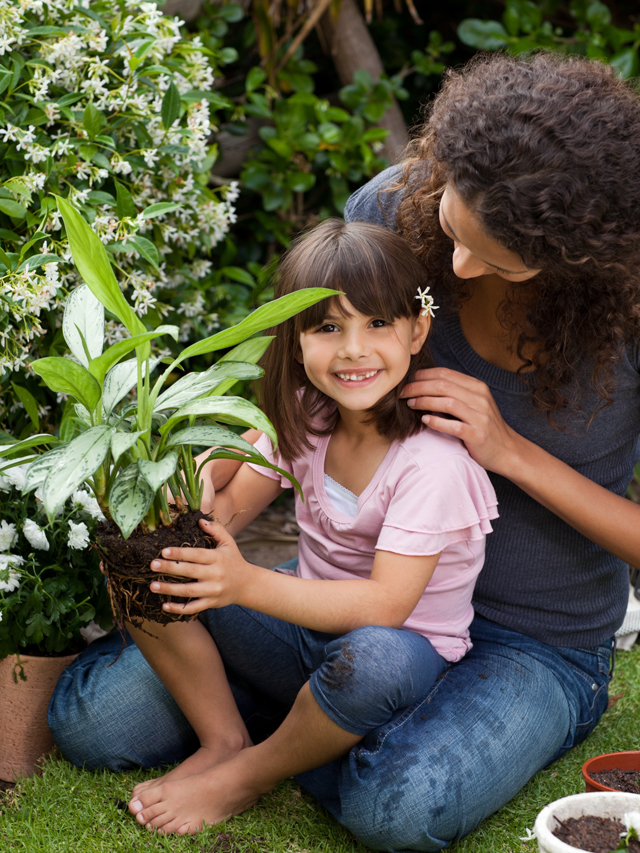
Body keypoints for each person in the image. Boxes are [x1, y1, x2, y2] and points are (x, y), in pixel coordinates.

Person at [48, 51, 640, 850]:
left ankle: (281, 750)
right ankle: (319, 718)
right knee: (90, 721)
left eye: (498, 260)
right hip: (344, 602)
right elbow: (296, 398)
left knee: (396, 810)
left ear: (575, 256)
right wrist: (214, 490)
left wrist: (512, 452)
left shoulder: (628, 301)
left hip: (531, 638)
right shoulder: (399, 208)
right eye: (455, 230)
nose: (459, 268)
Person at [116, 218, 498, 835]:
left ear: (417, 330)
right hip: (301, 634)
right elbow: (226, 510)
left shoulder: (434, 464)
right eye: (327, 327)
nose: (352, 349)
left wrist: (241, 585)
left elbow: (387, 606)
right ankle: (223, 741)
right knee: (148, 561)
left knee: (374, 661)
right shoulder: (305, 416)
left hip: (402, 661)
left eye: (377, 323)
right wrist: (190, 475)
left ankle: (250, 774)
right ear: (295, 341)